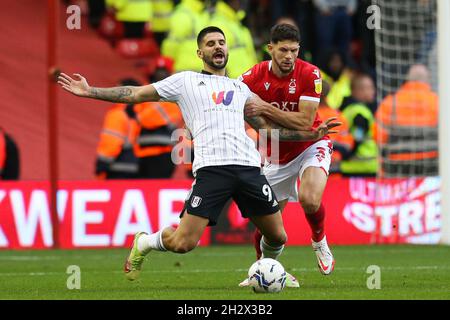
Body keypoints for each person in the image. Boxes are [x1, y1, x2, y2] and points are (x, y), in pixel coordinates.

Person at [58, 26, 340, 281]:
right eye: (210, 43)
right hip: (212, 170)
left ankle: (266, 274)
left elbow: (269, 131)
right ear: (200, 52)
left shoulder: (240, 88)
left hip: (248, 169)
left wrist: (310, 135)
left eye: (221, 42)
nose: (218, 47)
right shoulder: (185, 82)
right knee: (183, 243)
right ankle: (144, 242)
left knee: (278, 235)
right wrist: (90, 91)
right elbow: (134, 93)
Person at [238, 24, 337, 287]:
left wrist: (264, 107)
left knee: (309, 200)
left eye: (294, 50)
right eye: (283, 50)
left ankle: (319, 241)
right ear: (270, 48)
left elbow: (305, 122)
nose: (288, 56)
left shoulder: (310, 73)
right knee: (268, 229)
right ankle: (262, 271)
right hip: (276, 155)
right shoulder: (254, 76)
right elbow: (231, 100)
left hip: (311, 144)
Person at [374, 64, 439, 177]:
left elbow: (378, 135)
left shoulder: (390, 102)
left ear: (407, 79)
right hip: (432, 162)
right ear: (427, 80)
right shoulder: (438, 102)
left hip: (397, 162)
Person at [95, 79, 140, 180]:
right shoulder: (135, 114)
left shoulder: (117, 114)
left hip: (115, 167)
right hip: (133, 166)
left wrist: (101, 165)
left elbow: (111, 142)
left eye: (116, 89)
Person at [339, 73, 378, 176]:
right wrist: (350, 154)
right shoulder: (360, 112)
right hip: (362, 168)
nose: (373, 92)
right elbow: (358, 135)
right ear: (359, 91)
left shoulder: (347, 109)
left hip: (349, 167)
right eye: (370, 88)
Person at [210, 0, 258, 78]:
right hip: (232, 83)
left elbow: (251, 55)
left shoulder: (238, 25)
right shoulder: (217, 23)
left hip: (249, 81)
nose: (241, 2)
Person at [161, 0, 210, 72]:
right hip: (184, 70)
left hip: (202, 68)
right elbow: (172, 44)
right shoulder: (182, 14)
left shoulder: (202, 13)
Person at [317, 80, 353, 174]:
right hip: (332, 168)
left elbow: (347, 146)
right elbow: (347, 146)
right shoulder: (338, 116)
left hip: (323, 169)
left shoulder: (305, 115)